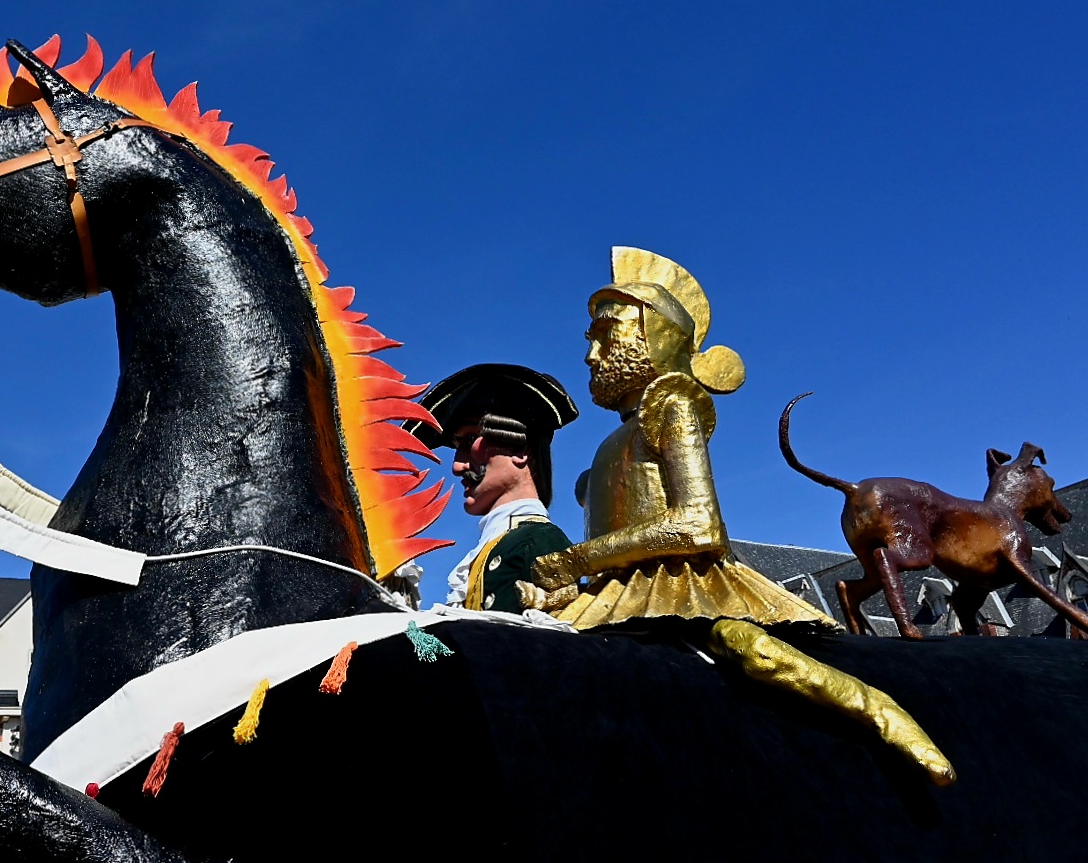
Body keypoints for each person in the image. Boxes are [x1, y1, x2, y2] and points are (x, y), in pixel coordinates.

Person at [523, 247, 954, 786]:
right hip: (619, 587)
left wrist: (575, 559)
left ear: (653, 336)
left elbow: (701, 523)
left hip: (685, 583)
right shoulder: (609, 444)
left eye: (604, 336)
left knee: (748, 650)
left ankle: (882, 711)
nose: (590, 355)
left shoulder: (672, 405)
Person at [408, 364, 578, 613]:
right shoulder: (499, 545)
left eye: (468, 441)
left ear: (520, 450)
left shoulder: (536, 543)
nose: (456, 466)